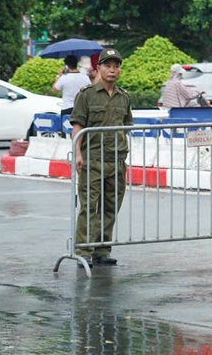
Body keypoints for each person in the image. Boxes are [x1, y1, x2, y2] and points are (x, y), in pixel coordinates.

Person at [70, 48, 133, 269]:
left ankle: (102, 249)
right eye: (108, 66)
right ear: (99, 69)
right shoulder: (86, 95)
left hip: (116, 160)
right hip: (93, 159)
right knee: (89, 206)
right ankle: (84, 250)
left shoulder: (123, 96)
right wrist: (78, 152)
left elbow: (126, 126)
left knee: (110, 206)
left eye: (116, 66)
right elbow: (78, 126)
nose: (112, 70)